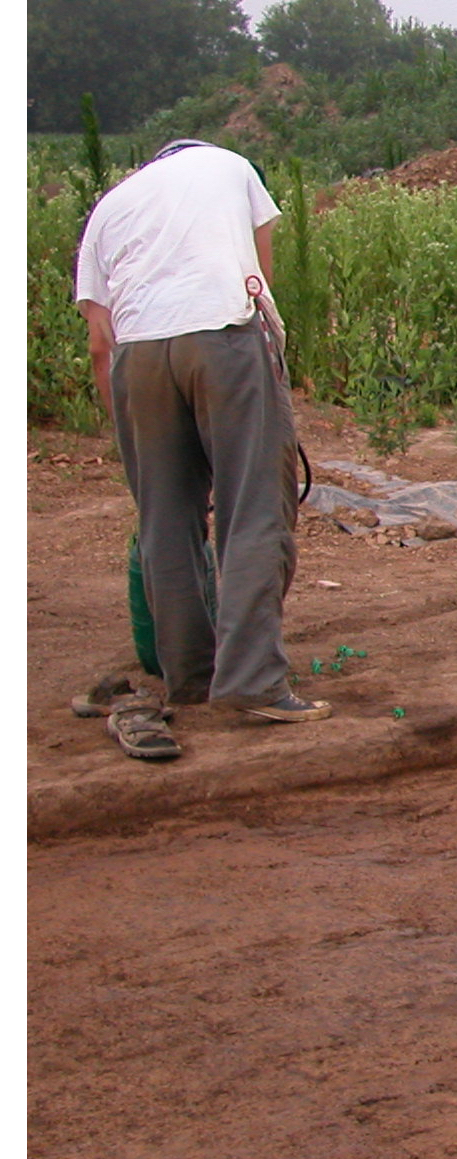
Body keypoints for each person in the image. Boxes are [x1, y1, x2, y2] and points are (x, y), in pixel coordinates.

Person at [74, 139, 328, 751]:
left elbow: (98, 345)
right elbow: (259, 280)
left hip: (138, 359)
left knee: (163, 517)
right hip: (222, 335)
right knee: (253, 508)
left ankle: (190, 676)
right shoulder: (231, 166)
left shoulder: (110, 205)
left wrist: (133, 434)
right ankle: (253, 680)